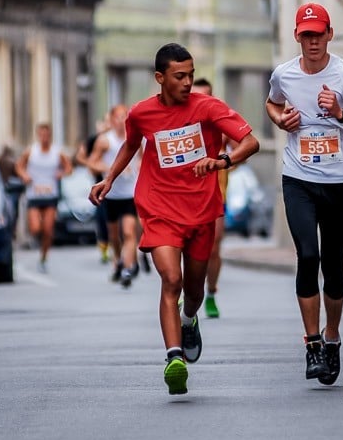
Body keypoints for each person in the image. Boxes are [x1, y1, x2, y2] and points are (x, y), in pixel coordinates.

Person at [89, 43, 259, 396]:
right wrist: (109, 178)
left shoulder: (208, 107)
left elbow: (250, 141)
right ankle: (174, 358)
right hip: (160, 208)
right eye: (179, 76)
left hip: (200, 211)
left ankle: (188, 319)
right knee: (171, 279)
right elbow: (130, 145)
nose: (187, 83)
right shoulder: (141, 114)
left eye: (191, 75)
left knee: (194, 291)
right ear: (159, 78)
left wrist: (222, 162)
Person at [266, 3, 343, 385]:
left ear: (330, 34)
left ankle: (332, 337)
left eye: (319, 34)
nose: (313, 41)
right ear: (297, 36)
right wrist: (281, 119)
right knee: (308, 255)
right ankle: (312, 342)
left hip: (338, 181)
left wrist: (341, 114)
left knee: (333, 267)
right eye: (306, 35)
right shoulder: (284, 74)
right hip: (298, 178)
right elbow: (272, 102)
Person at [86, 105, 141, 288]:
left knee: (129, 232)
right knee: (114, 236)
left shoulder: (134, 137)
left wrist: (138, 168)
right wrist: (112, 170)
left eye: (124, 116)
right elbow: (91, 164)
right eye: (117, 117)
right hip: (110, 195)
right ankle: (117, 258)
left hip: (129, 193)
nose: (121, 120)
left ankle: (127, 268)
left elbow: (140, 158)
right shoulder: (104, 141)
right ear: (111, 119)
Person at [191, 77, 233, 318]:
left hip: (216, 196)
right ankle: (186, 291)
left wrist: (226, 159)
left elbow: (242, 149)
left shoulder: (220, 122)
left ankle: (211, 293)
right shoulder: (182, 123)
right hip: (188, 197)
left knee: (214, 247)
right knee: (187, 248)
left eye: (205, 96)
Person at [15, 123, 72, 272]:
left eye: (46, 135)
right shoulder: (31, 151)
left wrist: (62, 173)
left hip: (50, 194)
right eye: (41, 134)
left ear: (50, 135)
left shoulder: (56, 152)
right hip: (34, 194)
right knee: (35, 228)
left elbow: (68, 167)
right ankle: (40, 244)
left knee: (48, 229)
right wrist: (24, 175)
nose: (44, 137)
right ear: (38, 135)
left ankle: (44, 256)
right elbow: (19, 166)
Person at [75, 117, 110, 265]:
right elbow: (80, 156)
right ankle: (104, 246)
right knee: (102, 216)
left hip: (119, 183)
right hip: (100, 182)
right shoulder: (94, 140)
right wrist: (94, 164)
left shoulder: (121, 138)